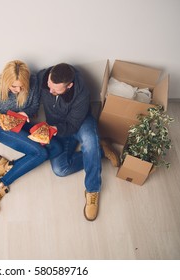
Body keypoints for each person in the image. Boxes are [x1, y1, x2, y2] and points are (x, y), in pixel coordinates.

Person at [37, 63, 120, 221]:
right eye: (49, 85)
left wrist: (54, 130)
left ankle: (93, 190)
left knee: (89, 141)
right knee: (60, 169)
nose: (51, 91)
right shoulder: (43, 77)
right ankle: (101, 150)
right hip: (57, 127)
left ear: (69, 86)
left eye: (56, 90)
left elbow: (73, 125)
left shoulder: (81, 93)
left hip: (79, 122)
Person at [0, 60, 61, 215]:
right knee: (41, 153)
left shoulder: (33, 83)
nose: (18, 90)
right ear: (6, 81)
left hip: (23, 123)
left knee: (57, 147)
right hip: (2, 127)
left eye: (21, 86)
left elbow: (33, 107)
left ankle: (7, 166)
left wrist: (26, 113)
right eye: (13, 86)